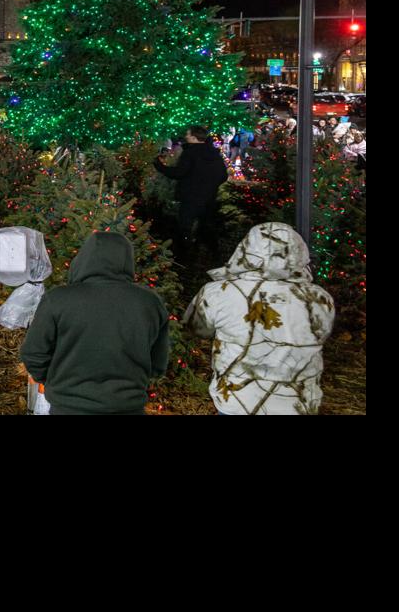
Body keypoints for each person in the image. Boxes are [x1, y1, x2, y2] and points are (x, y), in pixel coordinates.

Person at [182, 223, 336, 415]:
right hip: (298, 403)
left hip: (238, 402)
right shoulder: (320, 299)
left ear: (246, 250)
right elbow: (319, 335)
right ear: (299, 252)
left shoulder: (219, 292)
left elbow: (197, 328)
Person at [20, 232, 171, 416]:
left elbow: (33, 354)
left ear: (84, 258)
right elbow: (158, 365)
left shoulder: (58, 299)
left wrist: (57, 383)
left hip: (68, 407)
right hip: (128, 407)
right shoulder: (150, 303)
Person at [152, 125, 230, 257]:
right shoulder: (214, 153)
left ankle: (185, 255)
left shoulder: (190, 153)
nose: (185, 136)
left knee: (185, 226)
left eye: (188, 134)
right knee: (207, 225)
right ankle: (214, 253)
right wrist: (210, 186)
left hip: (190, 196)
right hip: (209, 196)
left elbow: (179, 173)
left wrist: (160, 166)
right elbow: (223, 176)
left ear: (194, 138)